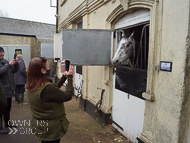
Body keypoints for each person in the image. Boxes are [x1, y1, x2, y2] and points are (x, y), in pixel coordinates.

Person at [26, 57, 75, 143]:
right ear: (43, 70)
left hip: (41, 127)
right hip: (51, 130)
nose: (49, 68)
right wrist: (70, 77)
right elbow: (68, 96)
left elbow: (53, 91)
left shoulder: (32, 84)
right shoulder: (47, 88)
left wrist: (64, 77)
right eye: (48, 66)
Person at [0, 47, 18, 134]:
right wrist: (9, 64)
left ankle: (7, 123)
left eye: (3, 52)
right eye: (0, 52)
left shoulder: (5, 61)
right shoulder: (6, 63)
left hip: (8, 90)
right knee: (1, 110)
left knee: (8, 108)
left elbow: (14, 70)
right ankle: (0, 128)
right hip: (1, 92)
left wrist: (15, 64)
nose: (2, 54)